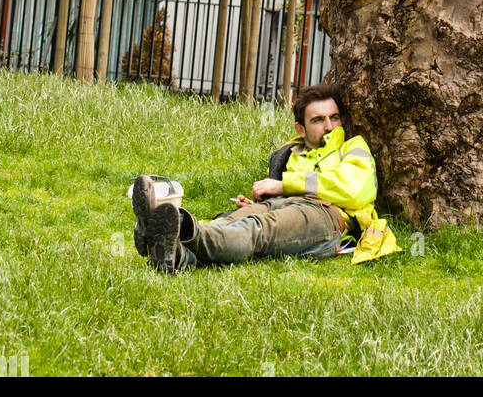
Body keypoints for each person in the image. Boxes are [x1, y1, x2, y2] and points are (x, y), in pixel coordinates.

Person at [131, 85, 378, 274]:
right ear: (300, 129)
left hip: (327, 216)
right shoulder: (290, 153)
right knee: (230, 220)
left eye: (334, 118)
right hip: (286, 207)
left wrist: (283, 186)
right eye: (318, 120)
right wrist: (259, 204)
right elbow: (284, 204)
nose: (329, 126)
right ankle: (172, 253)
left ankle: (171, 228)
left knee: (257, 229)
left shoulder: (352, 146)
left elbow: (354, 189)